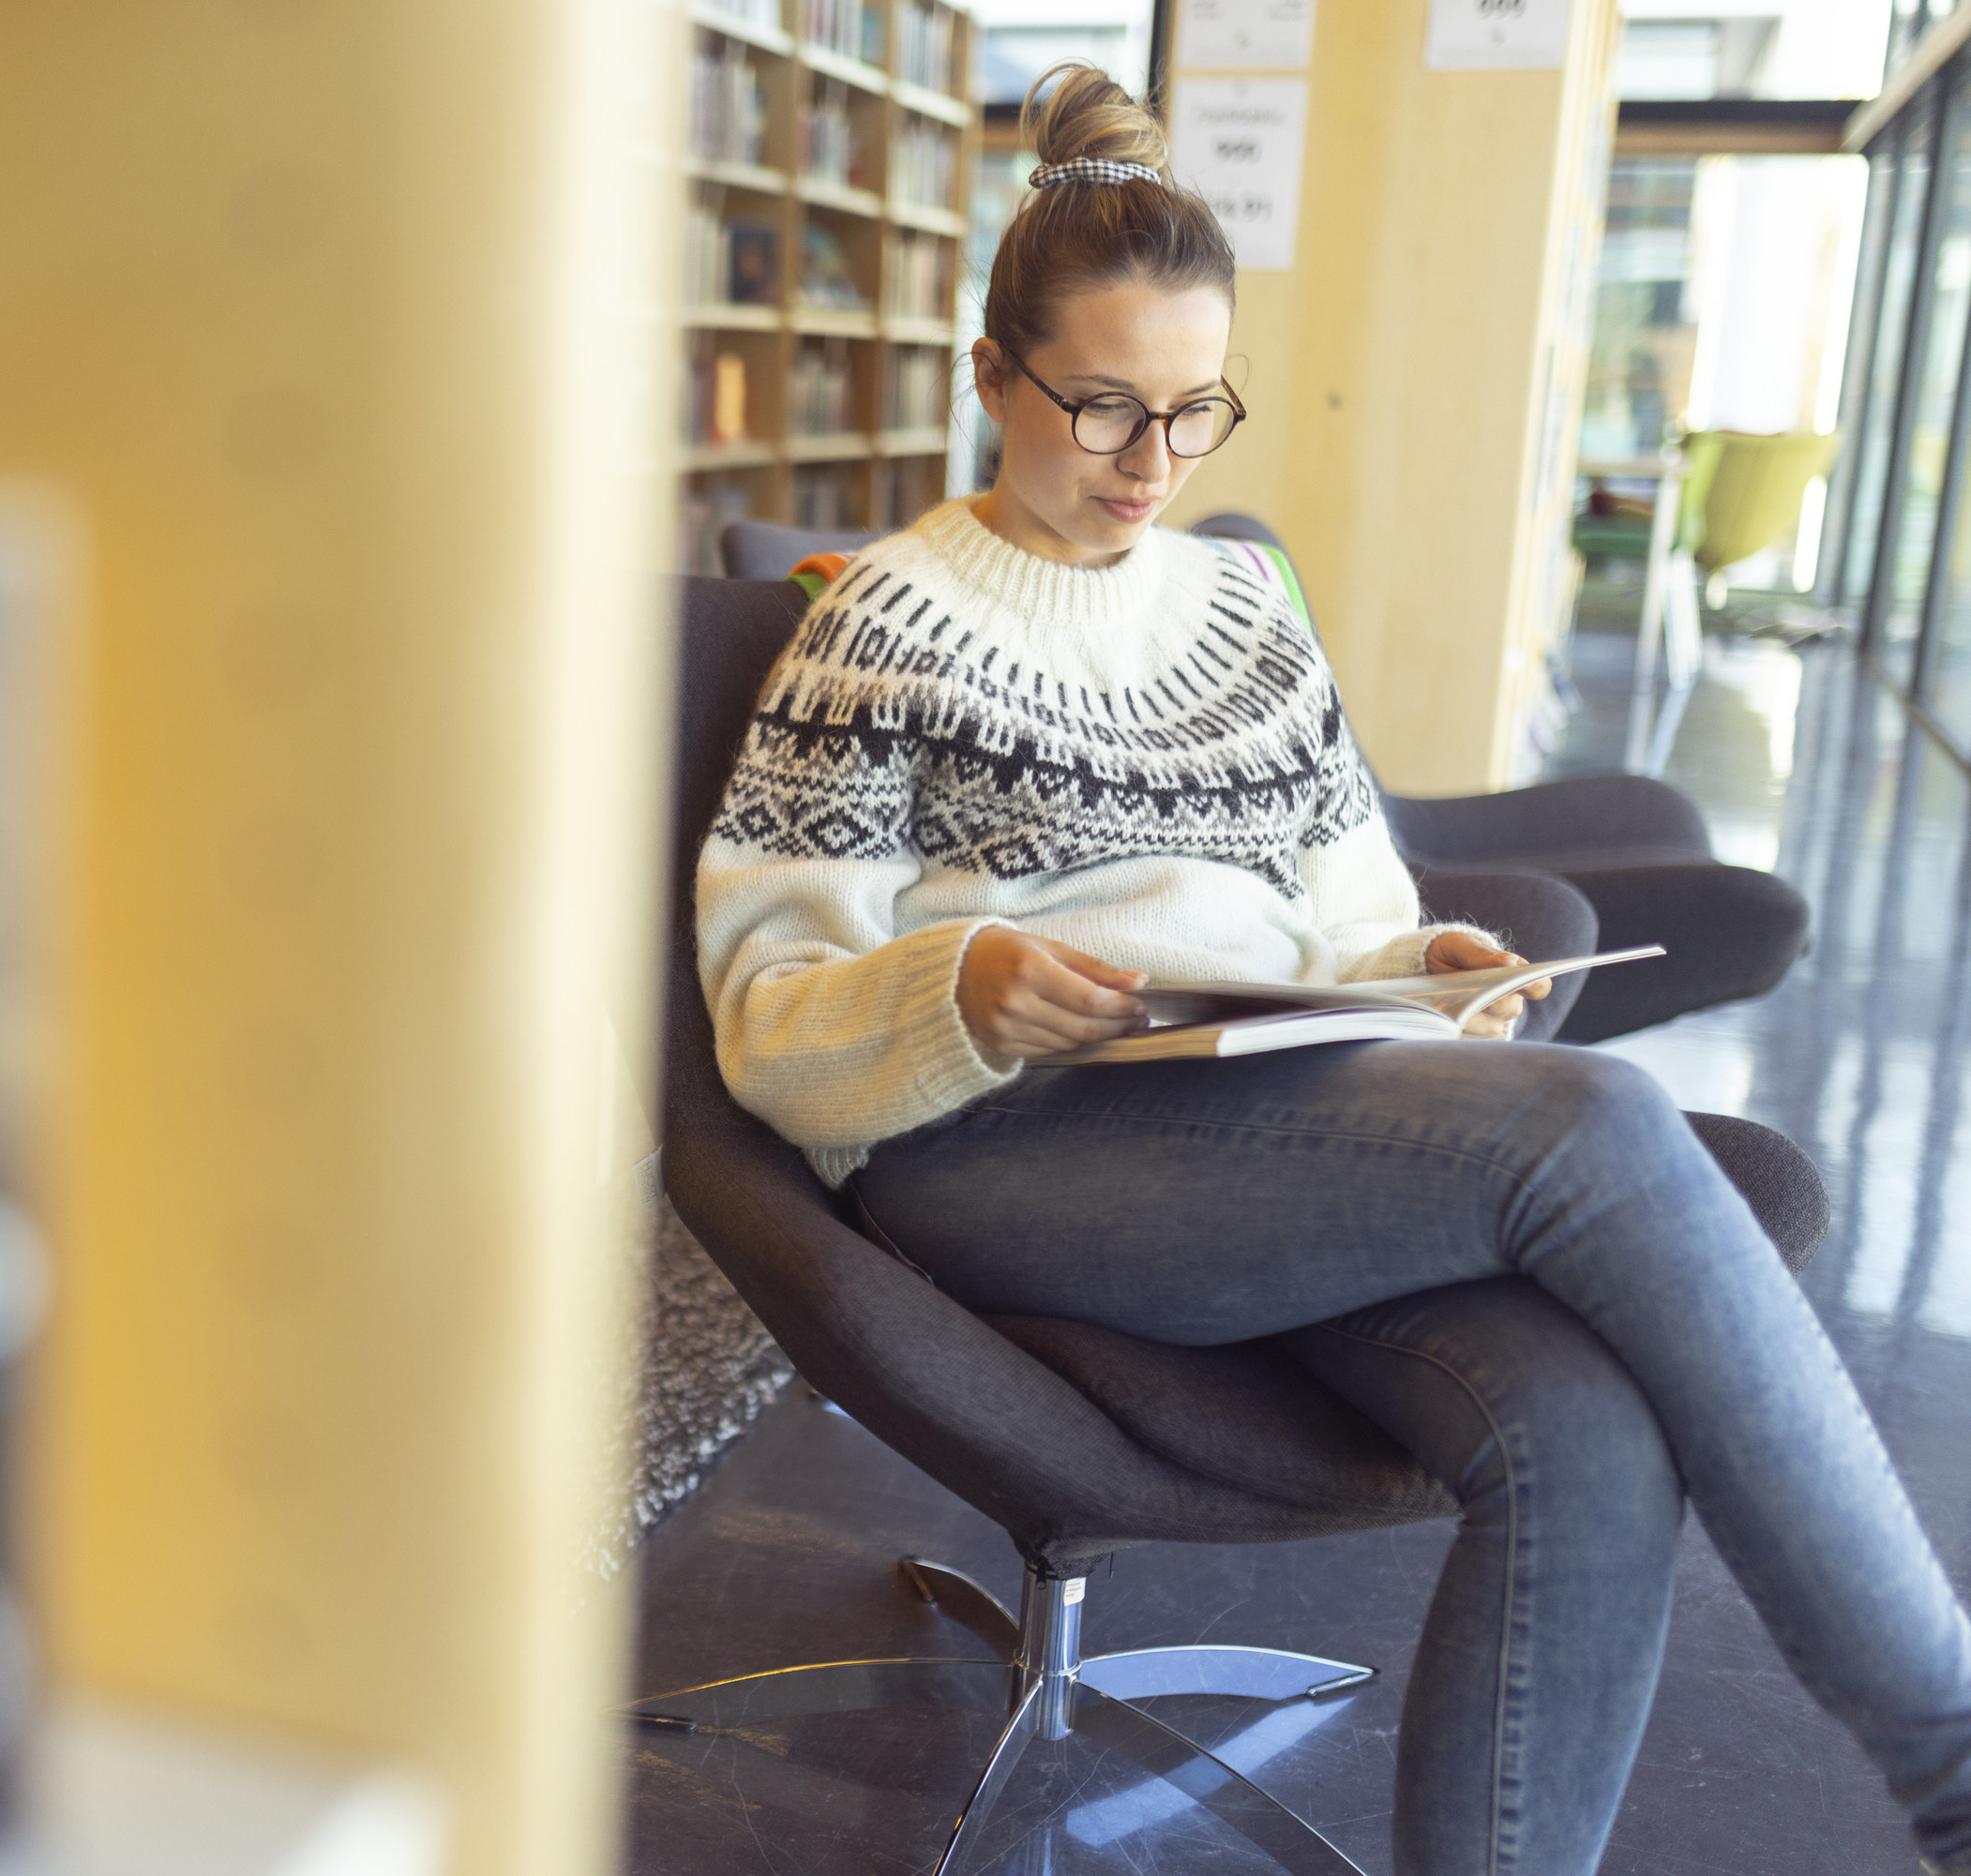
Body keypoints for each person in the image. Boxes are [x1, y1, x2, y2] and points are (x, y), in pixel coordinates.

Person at [695, 64, 1971, 1876]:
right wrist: (954, 989)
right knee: (1594, 1121)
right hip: (998, 1148)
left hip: (1263, 1124)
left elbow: (1349, 896)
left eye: (1195, 411)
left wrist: (1417, 958)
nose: (1150, 468)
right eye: (1100, 409)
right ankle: (1954, 1751)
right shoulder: (879, 625)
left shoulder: (1238, 611)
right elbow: (766, 1021)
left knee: (1586, 1430)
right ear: (994, 376)